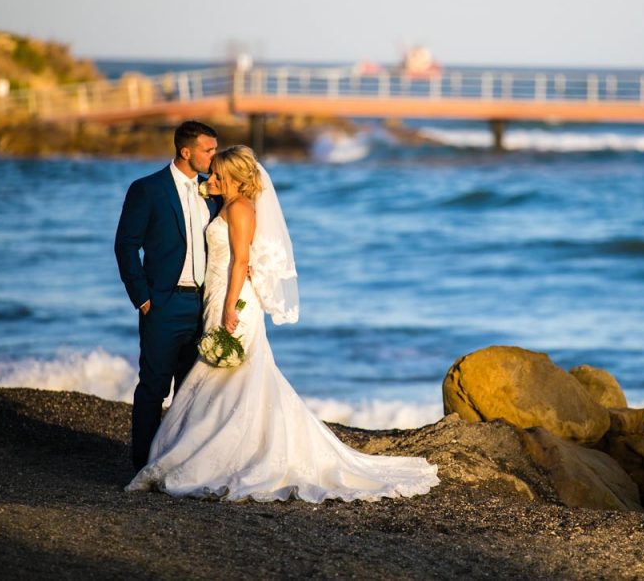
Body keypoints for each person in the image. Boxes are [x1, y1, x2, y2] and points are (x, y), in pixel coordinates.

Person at [126, 146, 439, 502]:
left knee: (234, 375)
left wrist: (230, 308)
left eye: (218, 176)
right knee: (223, 376)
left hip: (234, 300)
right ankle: (210, 449)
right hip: (215, 296)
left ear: (233, 179)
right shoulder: (226, 204)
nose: (210, 179)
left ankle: (223, 455)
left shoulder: (241, 208)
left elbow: (241, 262)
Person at [115, 121, 220, 471]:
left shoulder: (212, 192)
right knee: (154, 387)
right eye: (209, 150)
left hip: (203, 304)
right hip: (163, 303)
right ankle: (142, 463)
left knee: (191, 390)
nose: (214, 156)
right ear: (186, 151)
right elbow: (126, 246)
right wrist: (142, 297)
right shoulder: (147, 189)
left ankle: (178, 460)